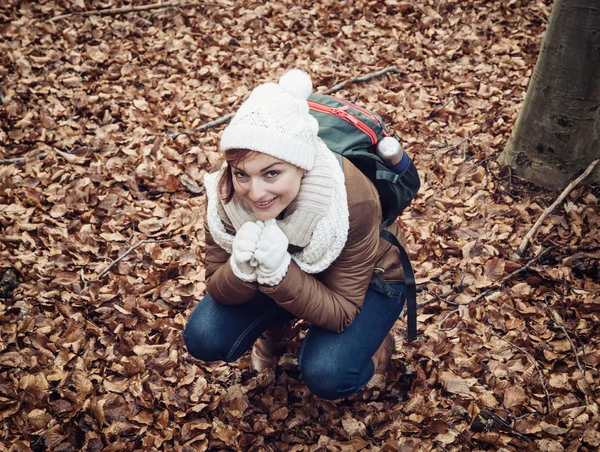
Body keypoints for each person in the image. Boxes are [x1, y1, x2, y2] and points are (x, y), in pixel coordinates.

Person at [183, 69, 407, 400]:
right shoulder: (225, 194)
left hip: (367, 281)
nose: (255, 192)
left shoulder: (350, 198)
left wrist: (278, 274)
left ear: (301, 165)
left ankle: (375, 346)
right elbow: (217, 283)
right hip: (299, 278)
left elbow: (342, 310)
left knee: (328, 373)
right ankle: (274, 328)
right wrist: (240, 271)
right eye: (242, 173)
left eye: (272, 173)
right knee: (204, 336)